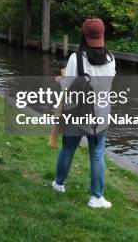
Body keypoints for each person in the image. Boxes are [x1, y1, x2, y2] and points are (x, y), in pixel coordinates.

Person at [52, 18, 116, 209]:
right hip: (101, 115)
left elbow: (68, 86)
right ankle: (96, 198)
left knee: (68, 149)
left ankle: (59, 184)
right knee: (97, 155)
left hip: (76, 113)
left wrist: (60, 80)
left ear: (84, 36)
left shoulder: (76, 58)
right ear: (102, 36)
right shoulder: (111, 59)